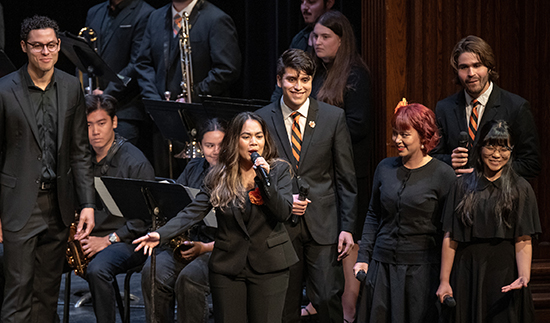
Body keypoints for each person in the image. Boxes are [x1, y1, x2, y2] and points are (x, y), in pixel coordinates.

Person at [134, 112, 298, 323]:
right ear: (234, 140)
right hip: (229, 265)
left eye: (258, 136)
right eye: (246, 136)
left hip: (269, 265)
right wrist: (160, 234)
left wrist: (266, 183)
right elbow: (192, 211)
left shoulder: (278, 170)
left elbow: (283, 212)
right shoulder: (219, 175)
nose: (253, 142)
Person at [0, 15, 95, 322]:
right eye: (38, 46)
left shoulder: (70, 87)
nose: (46, 52)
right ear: (24, 47)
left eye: (51, 45)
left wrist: (88, 205)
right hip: (18, 205)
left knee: (47, 294)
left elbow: (80, 152)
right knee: (18, 292)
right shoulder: (4, 90)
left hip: (58, 205)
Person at [256, 48, 357, 323]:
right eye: (291, 79)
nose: (298, 87)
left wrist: (347, 227)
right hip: (280, 225)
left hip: (323, 225)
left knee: (326, 298)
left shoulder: (332, 117)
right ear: (279, 81)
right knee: (284, 303)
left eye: (305, 80)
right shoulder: (262, 120)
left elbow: (346, 178)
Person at [353, 102, 456, 323]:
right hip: (382, 268)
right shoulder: (384, 168)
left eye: (404, 135)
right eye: (395, 133)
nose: (397, 140)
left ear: (423, 137)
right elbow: (373, 215)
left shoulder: (443, 174)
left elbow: (450, 231)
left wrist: (445, 279)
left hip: (420, 272)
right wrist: (363, 258)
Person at [436, 120, 541, 323]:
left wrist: (523, 276)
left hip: (505, 274)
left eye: (504, 148)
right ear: (480, 147)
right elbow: (450, 237)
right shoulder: (461, 186)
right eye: (491, 146)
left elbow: (523, 238)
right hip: (468, 273)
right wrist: (444, 281)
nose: (496, 154)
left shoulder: (521, 188)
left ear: (511, 150)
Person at [309, 10, 373, 321]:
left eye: (325, 37)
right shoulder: (319, 72)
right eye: (315, 35)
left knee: (348, 241)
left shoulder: (355, 75)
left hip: (348, 173)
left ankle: (349, 312)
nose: (316, 41)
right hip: (322, 173)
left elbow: (358, 125)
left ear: (341, 40)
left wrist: (324, 134)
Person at [141, 118, 226, 323]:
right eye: (209, 145)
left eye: (221, 145)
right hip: (190, 243)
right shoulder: (194, 166)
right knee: (152, 272)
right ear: (200, 146)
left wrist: (204, 248)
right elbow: (178, 206)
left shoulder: (236, 172)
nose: (215, 151)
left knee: (190, 280)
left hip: (218, 249)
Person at [83, 94, 155, 322]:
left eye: (101, 123)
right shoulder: (81, 158)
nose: (95, 131)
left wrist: (108, 240)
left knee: (98, 270)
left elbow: (143, 221)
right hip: (90, 236)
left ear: (114, 122)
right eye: (88, 125)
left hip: (128, 240)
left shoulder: (135, 162)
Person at [430, 35, 540, 180]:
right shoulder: (444, 108)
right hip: (456, 198)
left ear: (489, 67)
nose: (471, 73)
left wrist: (489, 172)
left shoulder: (516, 107)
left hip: (499, 199)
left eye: (477, 65)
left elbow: (530, 164)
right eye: (464, 67)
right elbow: (432, 157)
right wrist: (449, 161)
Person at [136, 0, 241, 102]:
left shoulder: (216, 19)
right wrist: (154, 101)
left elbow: (226, 70)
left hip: (200, 113)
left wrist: (191, 96)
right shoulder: (155, 17)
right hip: (160, 112)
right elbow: (143, 64)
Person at [84, 0, 154, 145]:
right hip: (94, 109)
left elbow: (137, 64)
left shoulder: (145, 13)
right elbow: (86, 55)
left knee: (119, 164)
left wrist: (106, 95)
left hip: (124, 110)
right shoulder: (94, 11)